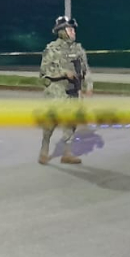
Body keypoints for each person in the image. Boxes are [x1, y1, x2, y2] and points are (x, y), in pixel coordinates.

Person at [38, 16, 91, 165]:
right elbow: (44, 70)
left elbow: (85, 70)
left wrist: (88, 86)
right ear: (61, 32)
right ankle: (44, 150)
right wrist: (63, 73)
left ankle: (67, 154)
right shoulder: (52, 49)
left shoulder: (78, 49)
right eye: (70, 29)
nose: (73, 32)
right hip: (56, 91)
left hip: (73, 90)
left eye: (73, 29)